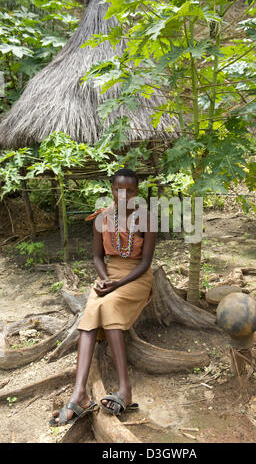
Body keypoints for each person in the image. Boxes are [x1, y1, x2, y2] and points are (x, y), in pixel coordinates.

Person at [49, 168, 157, 426]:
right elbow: (97, 256)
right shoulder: (102, 219)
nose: (124, 195)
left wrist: (119, 283)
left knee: (108, 306)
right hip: (109, 275)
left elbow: (145, 263)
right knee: (91, 311)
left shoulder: (147, 219)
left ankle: (125, 390)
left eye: (130, 190)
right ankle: (80, 394)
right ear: (111, 190)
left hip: (136, 277)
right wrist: (104, 278)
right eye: (119, 190)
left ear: (137, 192)